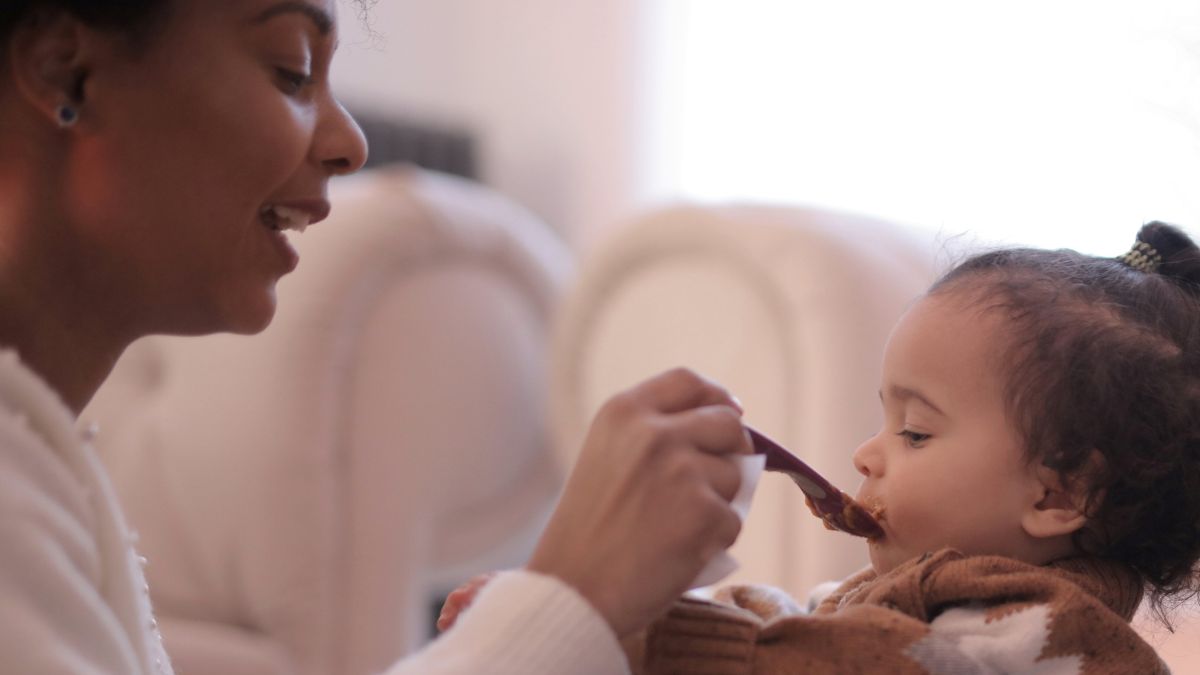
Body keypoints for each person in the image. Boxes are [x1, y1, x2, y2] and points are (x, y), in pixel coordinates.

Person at [0, 2, 751, 673]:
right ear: (68, 74)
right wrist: (567, 598)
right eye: (291, 69)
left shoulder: (47, 472)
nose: (351, 143)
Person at [442, 224, 1200, 674]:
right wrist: (600, 611)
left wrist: (648, 634)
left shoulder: (1049, 635)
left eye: (915, 431)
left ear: (1059, 494)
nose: (867, 454)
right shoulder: (931, 602)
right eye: (885, 419)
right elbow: (801, 616)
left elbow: (838, 659)